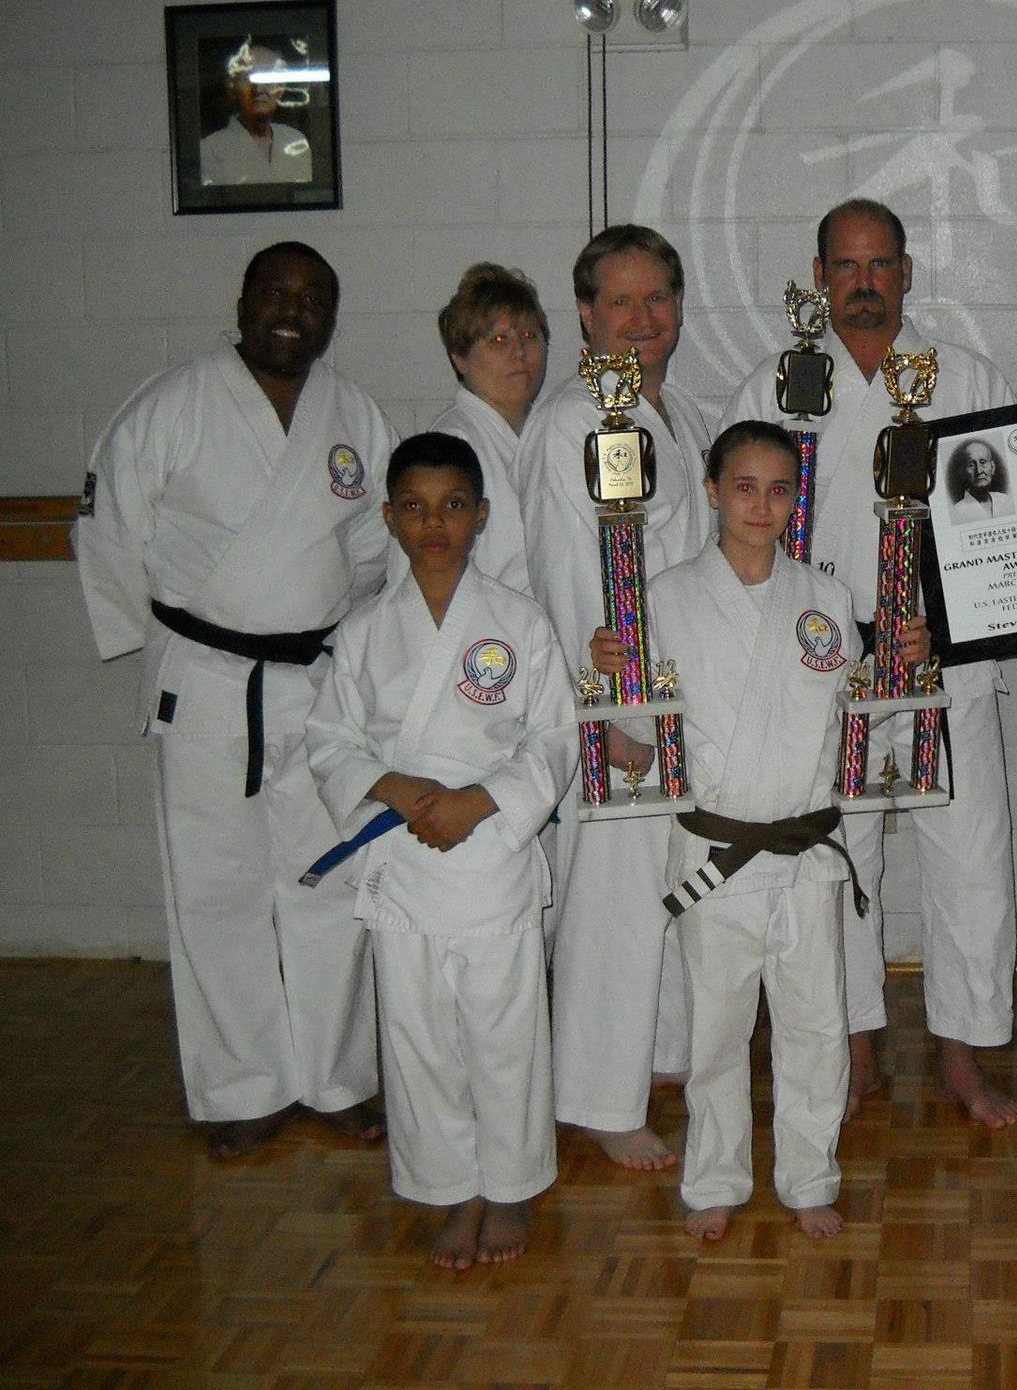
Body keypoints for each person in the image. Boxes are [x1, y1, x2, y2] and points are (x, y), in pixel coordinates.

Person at [74, 241, 392, 1158]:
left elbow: (373, 553)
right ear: (244, 300)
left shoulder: (353, 415)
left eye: (313, 297)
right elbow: (111, 535)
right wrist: (177, 641)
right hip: (209, 687)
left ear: (331, 315)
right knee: (217, 895)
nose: (292, 309)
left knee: (329, 883)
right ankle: (241, 1088)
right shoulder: (170, 406)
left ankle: (337, 1077)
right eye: (276, 291)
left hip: (317, 687)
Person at [725, 198, 1017, 1127]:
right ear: (819, 277)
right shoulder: (773, 389)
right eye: (845, 267)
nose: (863, 283)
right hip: (823, 670)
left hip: (941, 661)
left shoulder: (963, 378)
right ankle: (851, 1045)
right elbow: (740, 532)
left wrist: (949, 628)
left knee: (969, 860)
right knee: (840, 862)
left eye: (881, 265)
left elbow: (1008, 537)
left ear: (906, 274)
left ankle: (963, 1051)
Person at [610, 423, 905, 1242]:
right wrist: (615, 675)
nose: (762, 505)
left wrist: (894, 676)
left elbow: (857, 725)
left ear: (795, 500)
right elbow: (637, 737)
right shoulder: (663, 598)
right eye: (745, 486)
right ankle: (714, 1178)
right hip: (716, 850)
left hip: (807, 850)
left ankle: (810, 1176)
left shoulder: (827, 599)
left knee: (816, 1024)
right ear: (711, 490)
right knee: (717, 1027)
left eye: (780, 489)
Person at [306, 433, 575, 1270]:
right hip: (407, 867)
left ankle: (509, 1186)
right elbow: (329, 741)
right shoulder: (362, 633)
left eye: (454, 505)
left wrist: (477, 801)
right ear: (387, 518)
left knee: (505, 1035)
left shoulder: (519, 622)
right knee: (418, 1038)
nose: (435, 524)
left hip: (491, 853)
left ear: (482, 516)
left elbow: (553, 741)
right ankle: (448, 1190)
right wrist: (400, 793)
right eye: (415, 507)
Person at [516, 225, 713, 1172]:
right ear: (585, 313)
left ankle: (659, 1054)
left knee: (666, 882)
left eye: (658, 299)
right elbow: (567, 582)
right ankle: (597, 1093)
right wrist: (614, 717)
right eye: (621, 302)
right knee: (610, 897)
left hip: (678, 694)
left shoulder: (680, 414)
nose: (643, 319)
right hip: (619, 701)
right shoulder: (572, 422)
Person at [415, 264, 549, 593]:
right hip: (485, 636)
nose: (519, 352)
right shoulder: (451, 444)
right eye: (499, 339)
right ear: (459, 356)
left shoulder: (550, 430)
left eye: (530, 336)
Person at [198, 39, 313, 186]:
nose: (259, 89)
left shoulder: (296, 141)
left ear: (281, 88)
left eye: (268, 78)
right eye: (248, 79)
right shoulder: (211, 149)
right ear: (232, 88)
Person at [947, 438, 1012, 523]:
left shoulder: (1005, 500)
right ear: (963, 472)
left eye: (983, 462)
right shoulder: (957, 512)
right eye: (971, 465)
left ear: (992, 467)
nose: (979, 471)